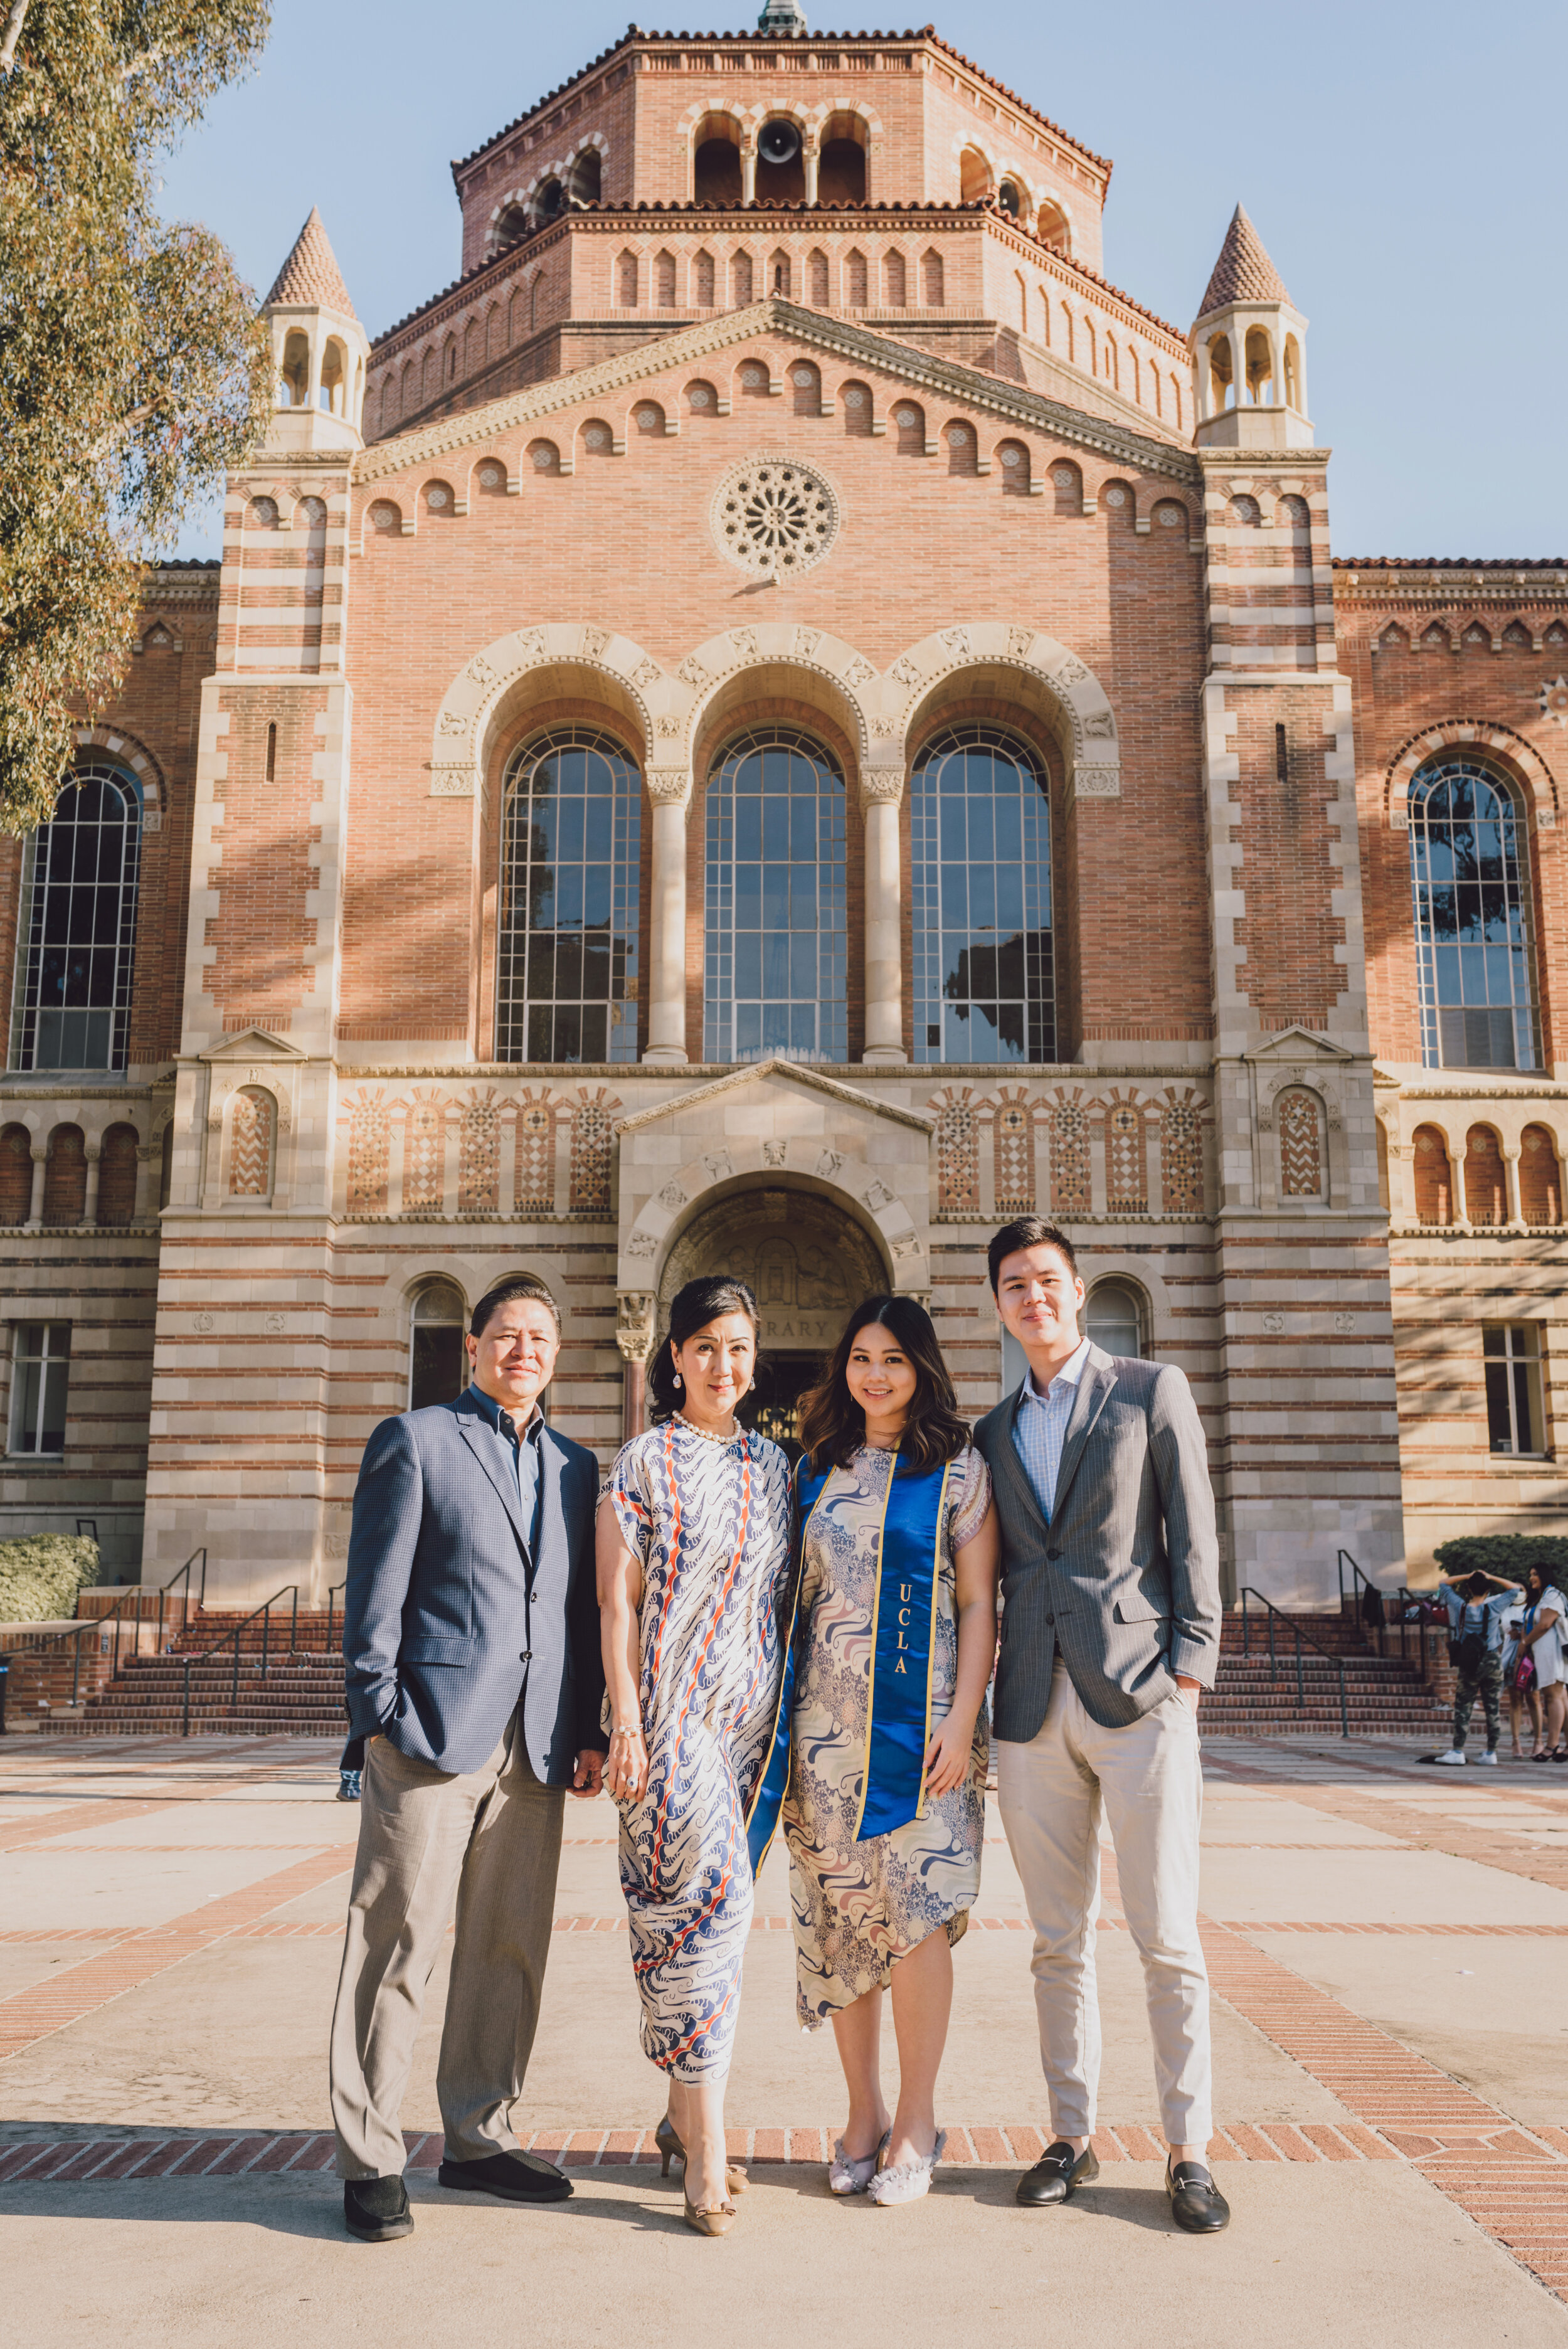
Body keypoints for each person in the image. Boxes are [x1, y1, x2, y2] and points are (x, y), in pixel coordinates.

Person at [329, 1275, 606, 2244]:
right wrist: (382, 1718)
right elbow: (375, 1594)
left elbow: (576, 1614)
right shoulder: (418, 1440)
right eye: (505, 1334)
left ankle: (479, 2136)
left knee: (507, 1949)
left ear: (557, 1355)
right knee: (395, 1942)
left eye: (539, 1337)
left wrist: (590, 1731)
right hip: (431, 1737)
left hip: (534, 1747)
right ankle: (369, 2156)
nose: (522, 1350)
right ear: (474, 1347)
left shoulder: (578, 1466)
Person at [972, 1216, 1229, 2237]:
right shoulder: (993, 1431)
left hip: (1139, 1694)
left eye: (1047, 1282)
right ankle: (1069, 2137)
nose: (1033, 1299)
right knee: (1054, 1941)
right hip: (1031, 1704)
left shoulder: (1149, 1389)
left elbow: (1194, 1533)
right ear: (999, 1305)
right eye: (1014, 1287)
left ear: (1077, 1291)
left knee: (1167, 1935)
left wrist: (1193, 1673)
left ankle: (1190, 2151)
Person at [772, 1294, 999, 2210]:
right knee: (842, 1925)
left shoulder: (958, 1469)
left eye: (894, 1359)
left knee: (916, 1916)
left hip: (924, 1737)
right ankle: (861, 2112)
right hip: (826, 1742)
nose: (875, 1374)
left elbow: (980, 1603)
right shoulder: (815, 1471)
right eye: (861, 1357)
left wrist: (961, 1717)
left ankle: (916, 2118)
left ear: (923, 1369)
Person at [597, 1276, 795, 2237]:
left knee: (706, 1916)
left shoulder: (776, 1467)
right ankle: (708, 2158)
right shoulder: (642, 1460)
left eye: (741, 1347)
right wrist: (626, 1718)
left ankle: (682, 2121)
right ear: (672, 1357)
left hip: (749, 1725)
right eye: (707, 1345)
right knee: (705, 1910)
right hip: (669, 1720)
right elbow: (618, 1603)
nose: (726, 1364)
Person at [1425, 1567, 1522, 1766]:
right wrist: (1491, 1576)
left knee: (1463, 1707)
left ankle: (1458, 1750)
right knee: (1492, 1708)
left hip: (1470, 1662)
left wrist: (1468, 1575)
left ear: (1469, 1589)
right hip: (1492, 1660)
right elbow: (1515, 1589)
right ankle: (1491, 1753)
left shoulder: (1461, 1607)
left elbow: (1443, 1583)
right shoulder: (1494, 1606)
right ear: (1488, 1590)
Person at [1517, 1564, 1567, 1764]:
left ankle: (1552, 1744)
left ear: (1545, 1575)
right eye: (1530, 1575)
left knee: (1553, 1697)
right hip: (1544, 1652)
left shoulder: (1552, 1595)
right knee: (1561, 1697)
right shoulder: (1541, 1597)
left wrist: (1525, 1643)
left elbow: (1545, 1624)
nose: (1531, 1578)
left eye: (1535, 1574)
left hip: (1552, 1652)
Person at [1501, 1596, 1543, 1761]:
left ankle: (1538, 1741)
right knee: (1515, 1699)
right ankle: (1516, 1741)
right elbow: (1507, 1631)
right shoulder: (1506, 1608)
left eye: (1522, 1590)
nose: (1519, 1594)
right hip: (1513, 1657)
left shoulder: (1534, 1607)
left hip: (1532, 1657)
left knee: (1534, 1698)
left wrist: (1525, 1636)